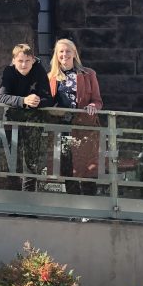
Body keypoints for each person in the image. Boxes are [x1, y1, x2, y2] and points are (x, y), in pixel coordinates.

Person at [48, 38, 104, 189]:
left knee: (88, 165)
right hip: (63, 126)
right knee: (67, 165)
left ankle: (90, 203)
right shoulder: (51, 77)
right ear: (56, 54)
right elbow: (48, 101)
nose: (64, 54)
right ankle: (73, 202)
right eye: (61, 51)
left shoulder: (88, 74)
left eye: (68, 51)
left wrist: (92, 106)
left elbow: (98, 101)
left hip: (84, 125)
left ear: (74, 53)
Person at [0, 44, 54, 190]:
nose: (23, 64)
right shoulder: (9, 71)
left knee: (31, 162)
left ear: (33, 60)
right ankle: (13, 201)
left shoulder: (39, 71)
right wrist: (23, 101)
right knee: (11, 161)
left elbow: (49, 98)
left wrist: (37, 101)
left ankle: (28, 199)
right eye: (20, 61)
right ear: (14, 60)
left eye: (27, 61)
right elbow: (2, 96)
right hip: (11, 120)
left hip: (33, 122)